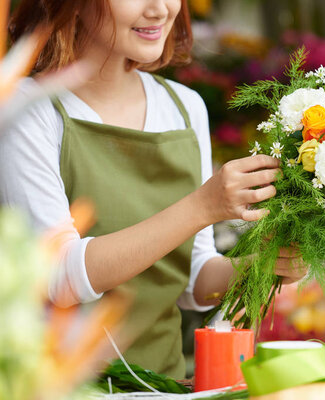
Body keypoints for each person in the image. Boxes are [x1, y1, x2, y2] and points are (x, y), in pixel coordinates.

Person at [0, 0, 306, 378]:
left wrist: (261, 266)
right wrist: (202, 206)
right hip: (64, 386)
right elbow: (58, 276)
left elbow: (191, 278)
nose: (161, 9)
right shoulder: (29, 109)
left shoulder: (183, 107)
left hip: (166, 382)